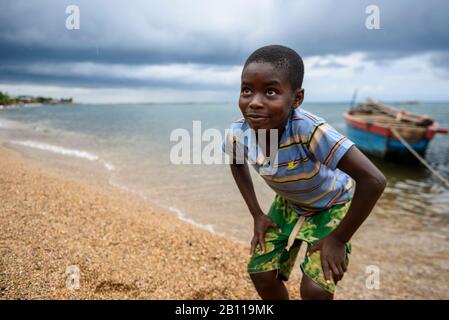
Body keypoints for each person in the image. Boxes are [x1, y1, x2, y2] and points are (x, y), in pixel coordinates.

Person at [222, 45, 386, 300]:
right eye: (246, 90)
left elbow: (374, 180)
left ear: (296, 99)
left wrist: (339, 239)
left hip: (331, 205)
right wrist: (256, 213)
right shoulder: (238, 134)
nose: (254, 102)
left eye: (270, 92)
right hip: (290, 203)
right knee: (261, 273)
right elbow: (236, 162)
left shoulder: (309, 131)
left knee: (315, 290)